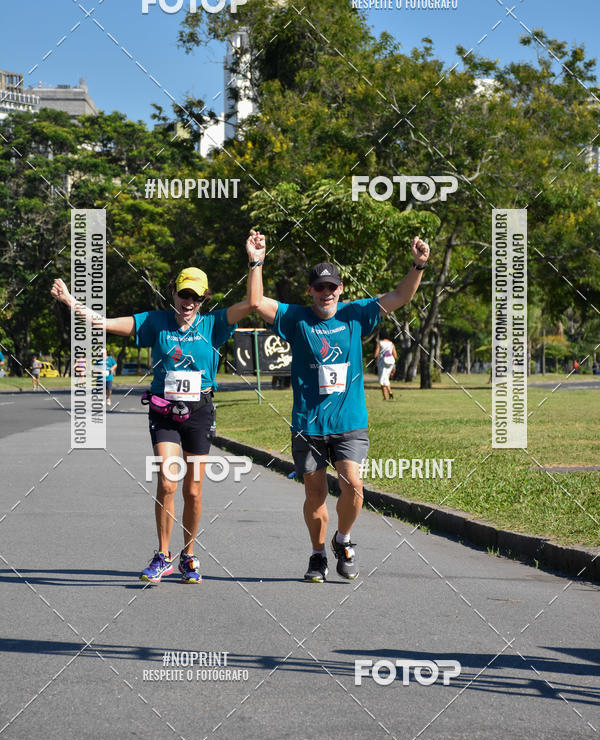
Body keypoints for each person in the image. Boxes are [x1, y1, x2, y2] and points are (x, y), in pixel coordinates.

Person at [51, 230, 266, 585]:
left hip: (199, 411)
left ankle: (189, 556)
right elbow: (104, 323)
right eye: (184, 294)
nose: (188, 302)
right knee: (167, 482)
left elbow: (254, 303)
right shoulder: (155, 322)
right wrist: (70, 301)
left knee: (193, 490)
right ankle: (163, 555)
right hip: (164, 411)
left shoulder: (214, 325)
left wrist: (255, 261)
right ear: (174, 293)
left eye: (196, 296)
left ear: (204, 298)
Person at [253, 237, 430, 582]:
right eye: (320, 287)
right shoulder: (296, 318)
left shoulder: (355, 314)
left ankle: (343, 539)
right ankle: (318, 554)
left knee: (354, 485)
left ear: (340, 288)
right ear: (310, 290)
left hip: (349, 422)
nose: (326, 292)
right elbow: (256, 301)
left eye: (332, 286)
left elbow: (401, 296)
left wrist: (418, 265)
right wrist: (256, 261)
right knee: (315, 494)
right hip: (309, 424)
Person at [374, 334, 397, 400]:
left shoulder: (380, 343)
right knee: (386, 378)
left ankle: (385, 397)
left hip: (382, 363)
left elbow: (376, 354)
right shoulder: (391, 344)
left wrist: (374, 357)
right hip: (390, 362)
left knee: (382, 379)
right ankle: (390, 392)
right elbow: (395, 355)